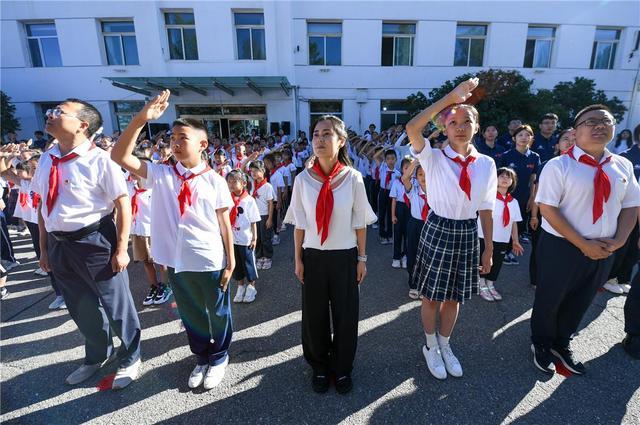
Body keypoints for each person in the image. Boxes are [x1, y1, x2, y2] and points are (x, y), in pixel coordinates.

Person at [111, 90, 236, 390]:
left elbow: (224, 224)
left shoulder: (215, 180)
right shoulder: (160, 173)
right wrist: (142, 118)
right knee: (191, 312)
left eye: (183, 138)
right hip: (175, 260)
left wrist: (231, 262)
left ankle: (219, 356)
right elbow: (119, 155)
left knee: (217, 311)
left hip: (208, 258)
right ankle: (201, 357)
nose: (176, 143)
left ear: (203, 144)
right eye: (173, 138)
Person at [31, 99, 141, 390]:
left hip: (95, 241)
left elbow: (122, 203)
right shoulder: (47, 158)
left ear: (82, 125)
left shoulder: (99, 159)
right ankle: (97, 355)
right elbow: (43, 207)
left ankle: (131, 357)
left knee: (116, 305)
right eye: (50, 111)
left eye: (59, 112)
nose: (50, 115)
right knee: (81, 307)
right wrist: (43, 249)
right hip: (59, 244)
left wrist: (121, 248)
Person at [531, 104, 640, 375]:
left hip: (605, 247)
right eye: (590, 122)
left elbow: (630, 206)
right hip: (562, 246)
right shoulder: (559, 165)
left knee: (582, 299)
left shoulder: (622, 164)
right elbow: (548, 209)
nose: (599, 126)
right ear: (575, 131)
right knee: (550, 298)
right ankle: (541, 343)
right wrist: (583, 244)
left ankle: (562, 341)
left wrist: (619, 241)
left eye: (606, 121)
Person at [406, 77, 497, 380]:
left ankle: (446, 345)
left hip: (468, 232)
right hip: (439, 228)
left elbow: (486, 206)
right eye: (453, 121)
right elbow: (412, 128)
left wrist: (489, 247)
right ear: (444, 128)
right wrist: (451, 98)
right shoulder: (432, 157)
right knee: (431, 296)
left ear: (476, 127)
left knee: (454, 297)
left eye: (466, 121)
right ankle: (430, 346)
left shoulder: (486, 163)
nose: (460, 126)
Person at [285, 114, 376, 394]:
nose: (320, 140)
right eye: (316, 134)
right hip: (313, 256)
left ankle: (342, 367)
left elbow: (360, 223)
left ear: (341, 141)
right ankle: (320, 366)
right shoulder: (303, 180)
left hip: (345, 256)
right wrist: (298, 259)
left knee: (346, 315)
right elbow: (300, 224)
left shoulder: (353, 178)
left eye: (326, 134)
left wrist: (362, 259)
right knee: (314, 317)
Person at [529, 128, 575, 287]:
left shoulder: (583, 166)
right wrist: (534, 215)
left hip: (570, 217)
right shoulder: (547, 165)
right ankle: (536, 279)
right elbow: (537, 193)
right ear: (557, 145)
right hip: (545, 215)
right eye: (565, 139)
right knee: (540, 249)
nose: (570, 142)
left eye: (573, 139)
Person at [478, 167, 524, 301]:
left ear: (513, 181)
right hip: (484, 236)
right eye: (502, 176)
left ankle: (490, 284)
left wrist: (515, 240)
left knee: (497, 262)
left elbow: (514, 222)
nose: (505, 179)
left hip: (502, 238)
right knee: (483, 260)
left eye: (508, 177)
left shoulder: (513, 202)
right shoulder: (488, 197)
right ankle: (481, 284)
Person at [129, 163, 171, 306]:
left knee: (161, 261)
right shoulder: (130, 187)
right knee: (146, 261)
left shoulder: (154, 189)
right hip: (137, 230)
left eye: (135, 170)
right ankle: (154, 286)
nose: (131, 172)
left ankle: (166, 286)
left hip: (154, 230)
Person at [498, 124, 541, 256]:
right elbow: (499, 178)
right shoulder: (506, 155)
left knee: (520, 224)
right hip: (507, 196)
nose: (524, 138)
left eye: (527, 135)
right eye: (520, 135)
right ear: (514, 138)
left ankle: (511, 249)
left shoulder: (534, 157)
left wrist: (532, 198)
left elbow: (533, 179)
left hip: (524, 197)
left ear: (532, 138)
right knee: (504, 222)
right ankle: (503, 250)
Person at [227, 170, 261, 303]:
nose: (231, 184)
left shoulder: (249, 200)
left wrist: (254, 238)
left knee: (248, 264)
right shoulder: (227, 198)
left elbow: (253, 221)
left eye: (235, 181)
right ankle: (240, 286)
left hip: (246, 239)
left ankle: (252, 286)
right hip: (233, 239)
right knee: (237, 265)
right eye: (229, 182)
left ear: (244, 183)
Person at [401, 158, 428, 299]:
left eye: (426, 174)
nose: (423, 178)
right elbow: (404, 177)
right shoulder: (413, 190)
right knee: (413, 254)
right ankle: (413, 284)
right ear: (416, 177)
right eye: (420, 175)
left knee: (428, 256)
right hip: (415, 224)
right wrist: (416, 161)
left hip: (431, 226)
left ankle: (425, 285)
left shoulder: (437, 190)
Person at [249, 160, 275, 270]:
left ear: (263, 171)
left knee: (265, 237)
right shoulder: (251, 184)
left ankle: (268, 257)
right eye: (252, 171)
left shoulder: (267, 186)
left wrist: (270, 218)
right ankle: (259, 257)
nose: (253, 173)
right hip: (254, 216)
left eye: (256, 170)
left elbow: (270, 203)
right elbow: (242, 168)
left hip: (264, 215)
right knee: (257, 237)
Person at [390, 157, 411, 268]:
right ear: (402, 169)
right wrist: (393, 215)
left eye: (410, 168)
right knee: (397, 234)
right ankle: (396, 257)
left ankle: (406, 256)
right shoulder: (396, 183)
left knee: (408, 235)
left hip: (410, 209)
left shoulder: (414, 182)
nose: (408, 170)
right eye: (406, 168)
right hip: (399, 207)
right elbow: (393, 200)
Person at [376, 149, 399, 244]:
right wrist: (383, 148)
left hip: (392, 195)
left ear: (396, 160)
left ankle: (389, 235)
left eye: (393, 158)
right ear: (385, 160)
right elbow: (375, 157)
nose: (390, 161)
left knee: (390, 215)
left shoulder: (397, 173)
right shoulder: (382, 168)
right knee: (381, 214)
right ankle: (382, 235)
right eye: (388, 159)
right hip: (383, 192)